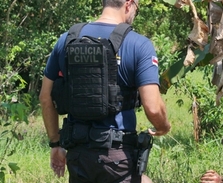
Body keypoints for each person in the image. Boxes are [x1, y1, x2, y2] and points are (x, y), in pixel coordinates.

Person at [39, 0, 171, 182]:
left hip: (78, 155)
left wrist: (55, 144)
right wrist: (164, 126)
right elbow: (154, 108)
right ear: (128, 4)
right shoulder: (139, 44)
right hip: (117, 157)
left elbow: (45, 98)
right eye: (136, 9)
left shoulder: (66, 40)